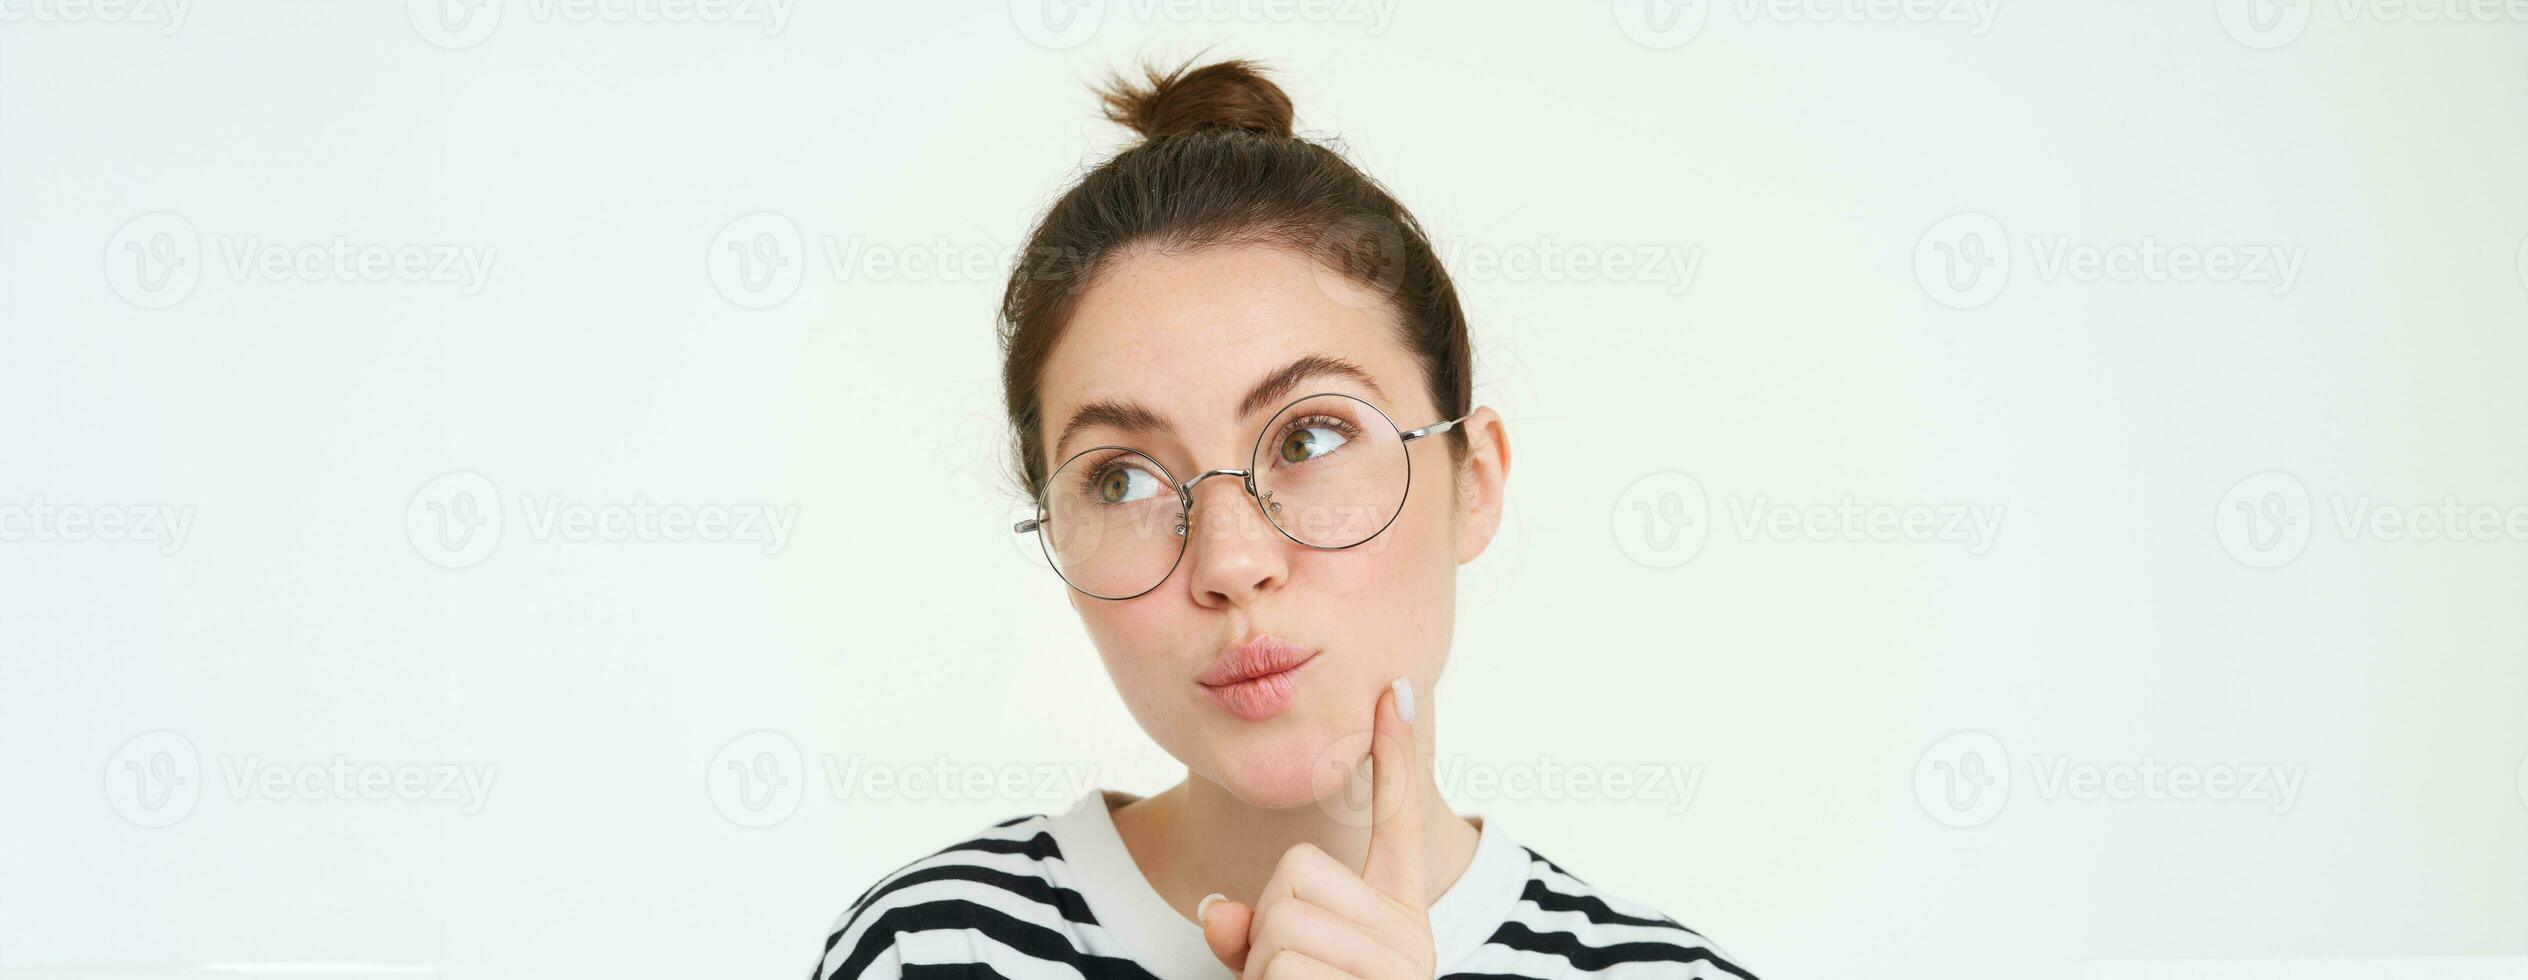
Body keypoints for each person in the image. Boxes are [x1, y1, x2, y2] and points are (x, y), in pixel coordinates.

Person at [811, 57, 1755, 980]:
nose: (1230, 561)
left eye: (1308, 439)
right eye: (1122, 481)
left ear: (1476, 482)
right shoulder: (932, 951)